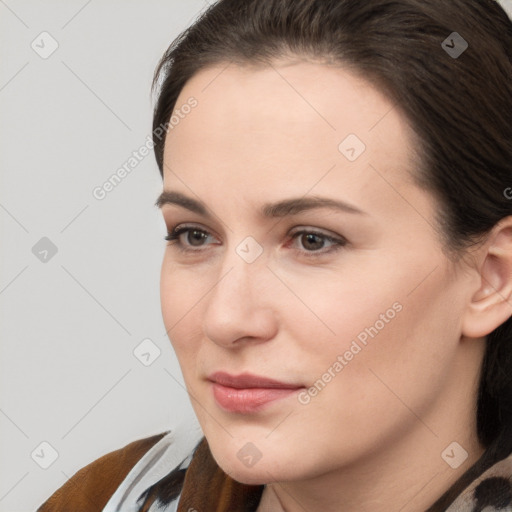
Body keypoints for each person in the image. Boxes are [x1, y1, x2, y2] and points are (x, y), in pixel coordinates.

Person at [38, 0, 512, 510]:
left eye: (312, 240)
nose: (225, 318)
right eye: (194, 235)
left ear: (492, 278)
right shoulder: (99, 498)